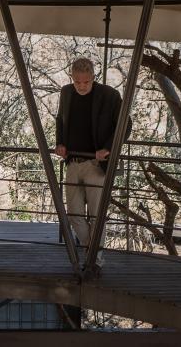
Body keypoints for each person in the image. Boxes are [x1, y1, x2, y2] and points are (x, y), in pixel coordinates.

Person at [54, 57, 131, 277]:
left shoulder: (109, 95)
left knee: (97, 216)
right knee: (74, 214)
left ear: (93, 78)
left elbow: (126, 125)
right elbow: (60, 119)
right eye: (77, 81)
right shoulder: (66, 92)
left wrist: (107, 148)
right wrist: (60, 143)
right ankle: (92, 249)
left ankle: (95, 260)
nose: (81, 86)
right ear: (72, 78)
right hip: (73, 162)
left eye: (86, 82)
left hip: (97, 164)